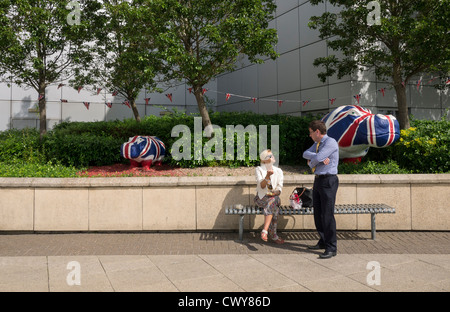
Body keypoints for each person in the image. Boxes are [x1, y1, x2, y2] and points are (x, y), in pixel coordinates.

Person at [302, 120, 339, 259]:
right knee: (318, 214)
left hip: (328, 181)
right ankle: (323, 241)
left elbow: (318, 157)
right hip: (318, 180)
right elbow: (305, 154)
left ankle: (331, 247)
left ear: (317, 132)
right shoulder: (317, 144)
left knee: (327, 215)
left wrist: (312, 162)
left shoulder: (330, 142)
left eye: (311, 133)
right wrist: (316, 158)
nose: (310, 135)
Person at [254, 149, 285, 244]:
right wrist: (267, 176)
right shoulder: (259, 169)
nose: (272, 156)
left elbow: (280, 187)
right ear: (264, 160)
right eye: (270, 156)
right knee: (274, 207)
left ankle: (265, 230)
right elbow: (262, 186)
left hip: (273, 197)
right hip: (261, 198)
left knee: (274, 199)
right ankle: (273, 234)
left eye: (272, 155)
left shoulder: (278, 171)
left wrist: (274, 192)